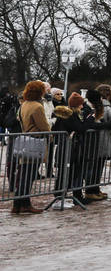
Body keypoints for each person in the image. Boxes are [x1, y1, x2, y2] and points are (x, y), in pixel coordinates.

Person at [11, 80, 52, 214]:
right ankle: (25, 204)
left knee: (23, 174)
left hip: (25, 140)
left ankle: (17, 204)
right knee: (28, 176)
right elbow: (44, 126)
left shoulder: (24, 105)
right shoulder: (37, 106)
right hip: (34, 143)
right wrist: (50, 134)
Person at [83, 86, 111, 200]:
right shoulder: (94, 108)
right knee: (93, 167)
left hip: (98, 141)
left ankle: (95, 188)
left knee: (97, 167)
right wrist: (105, 125)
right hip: (95, 142)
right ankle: (90, 190)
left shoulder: (100, 108)